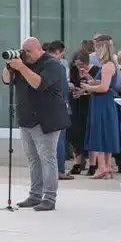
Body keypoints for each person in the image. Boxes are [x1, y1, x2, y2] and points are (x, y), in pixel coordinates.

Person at [1, 38, 69, 211]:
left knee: (47, 158)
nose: (26, 55)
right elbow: (7, 80)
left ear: (39, 50)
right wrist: (10, 65)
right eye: (23, 51)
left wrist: (22, 67)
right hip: (27, 118)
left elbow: (39, 84)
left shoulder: (53, 65)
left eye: (28, 52)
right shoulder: (23, 63)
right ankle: (35, 195)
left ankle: (49, 198)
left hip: (46, 119)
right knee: (33, 159)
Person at [82, 36, 120, 178]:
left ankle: (102, 167)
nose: (96, 53)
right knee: (106, 131)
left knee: (100, 131)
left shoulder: (107, 65)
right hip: (105, 101)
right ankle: (107, 166)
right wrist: (91, 80)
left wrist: (88, 87)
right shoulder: (111, 65)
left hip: (102, 101)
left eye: (97, 50)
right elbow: (105, 83)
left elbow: (104, 87)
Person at [44, 41, 73, 181]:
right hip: (59, 106)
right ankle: (60, 170)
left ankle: (49, 169)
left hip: (45, 107)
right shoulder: (59, 65)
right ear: (59, 52)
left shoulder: (42, 64)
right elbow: (64, 88)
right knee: (60, 139)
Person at [67, 48, 93, 174]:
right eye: (77, 64)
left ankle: (92, 161)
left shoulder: (94, 70)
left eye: (81, 64)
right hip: (75, 102)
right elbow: (71, 82)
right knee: (74, 132)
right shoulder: (73, 70)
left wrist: (84, 91)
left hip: (88, 103)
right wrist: (74, 89)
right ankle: (77, 161)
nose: (79, 67)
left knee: (87, 131)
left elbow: (95, 85)